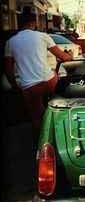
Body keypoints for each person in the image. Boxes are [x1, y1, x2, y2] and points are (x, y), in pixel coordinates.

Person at [4, 9, 73, 142]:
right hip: (49, 81)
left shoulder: (10, 42)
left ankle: (40, 144)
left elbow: (8, 70)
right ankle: (51, 105)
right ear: (33, 23)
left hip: (30, 88)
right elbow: (62, 57)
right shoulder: (43, 36)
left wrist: (15, 86)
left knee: (36, 117)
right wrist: (69, 55)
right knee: (53, 71)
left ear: (19, 24)